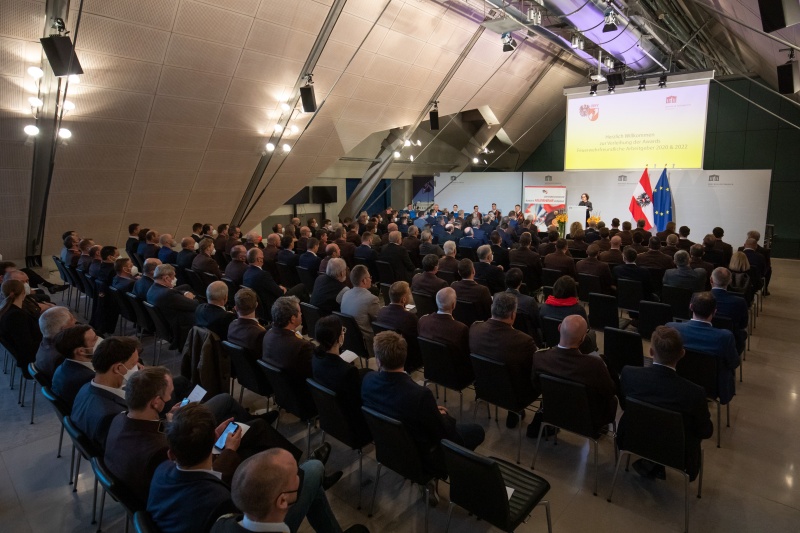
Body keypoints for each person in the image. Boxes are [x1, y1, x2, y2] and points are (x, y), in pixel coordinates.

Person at [361, 331, 485, 500]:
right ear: (404, 357)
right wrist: (442, 415)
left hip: (389, 450)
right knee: (477, 431)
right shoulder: (419, 395)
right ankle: (454, 475)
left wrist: (432, 412)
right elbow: (443, 434)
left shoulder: (367, 380)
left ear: (378, 360)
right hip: (423, 457)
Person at [618, 326, 712, 481]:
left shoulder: (629, 374)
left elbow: (624, 405)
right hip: (677, 453)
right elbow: (705, 431)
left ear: (651, 352)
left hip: (633, 439)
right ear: (682, 354)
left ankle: (650, 464)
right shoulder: (694, 393)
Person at [212, 449, 368, 533]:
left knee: (314, 481)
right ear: (282, 501)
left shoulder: (222, 522)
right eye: (296, 474)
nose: (301, 475)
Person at [532, 315, 617, 430]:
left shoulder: (539, 357)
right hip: (587, 420)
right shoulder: (594, 364)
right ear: (583, 338)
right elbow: (609, 391)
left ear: (559, 328)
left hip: (553, 413)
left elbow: (536, 385)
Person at [469, 292, 538, 428]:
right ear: (513, 315)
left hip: (484, 388)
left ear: (492, 309)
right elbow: (533, 369)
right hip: (515, 396)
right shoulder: (524, 341)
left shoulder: (474, 329)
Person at [667, 292, 740, 405]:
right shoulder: (725, 337)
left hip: (678, 381)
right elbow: (734, 363)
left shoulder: (671, 328)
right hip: (712, 389)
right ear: (714, 311)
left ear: (691, 307)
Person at [70, 337, 142, 449]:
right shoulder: (112, 415)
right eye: (134, 364)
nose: (139, 367)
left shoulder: (85, 388)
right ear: (118, 368)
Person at [311, 315, 372, 443]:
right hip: (354, 428)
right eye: (342, 331)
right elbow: (358, 401)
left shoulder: (315, 358)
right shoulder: (347, 371)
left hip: (330, 419)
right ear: (339, 338)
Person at [417, 287, 473, 384]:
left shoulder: (423, 321)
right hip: (455, 377)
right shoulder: (460, 329)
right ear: (453, 305)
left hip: (431, 371)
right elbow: (466, 354)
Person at [538, 276, 597, 353]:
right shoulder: (578, 310)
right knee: (592, 333)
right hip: (575, 346)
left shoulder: (543, 308)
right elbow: (586, 330)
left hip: (549, 343)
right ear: (573, 291)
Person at [147, 264, 198, 349]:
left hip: (166, 326)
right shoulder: (168, 294)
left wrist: (184, 293)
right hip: (181, 327)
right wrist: (191, 298)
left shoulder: (152, 289)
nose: (175, 279)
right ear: (166, 278)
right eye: (174, 276)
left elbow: (173, 292)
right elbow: (194, 305)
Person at [262, 296, 313, 381]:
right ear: (292, 319)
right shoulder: (302, 346)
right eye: (300, 312)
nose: (301, 314)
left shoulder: (267, 334)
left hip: (277, 386)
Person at [51, 325, 100, 408]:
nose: (99, 340)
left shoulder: (64, 365)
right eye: (94, 339)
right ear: (81, 351)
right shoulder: (87, 378)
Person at [340, 265, 381, 357]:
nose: (371, 279)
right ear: (364, 280)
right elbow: (380, 320)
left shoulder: (345, 294)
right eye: (369, 277)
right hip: (366, 342)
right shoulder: (371, 299)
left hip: (349, 339)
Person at [0, 280, 42, 368]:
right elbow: (27, 346)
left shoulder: (5, 309)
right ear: (23, 293)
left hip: (30, 353)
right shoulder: (16, 316)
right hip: (34, 358)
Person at [710, 267, 748, 354]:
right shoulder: (739, 301)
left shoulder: (698, 297)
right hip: (732, 342)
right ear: (730, 281)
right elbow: (743, 324)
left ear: (711, 280)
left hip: (704, 337)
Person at [34, 306, 76, 379]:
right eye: (72, 321)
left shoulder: (45, 343)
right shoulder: (61, 357)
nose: (76, 320)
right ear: (64, 329)